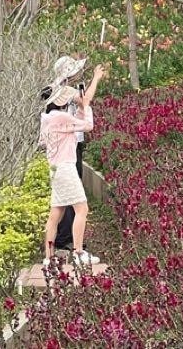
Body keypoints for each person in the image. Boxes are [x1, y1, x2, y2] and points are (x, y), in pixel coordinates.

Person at [40, 64, 106, 270]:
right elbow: (87, 125)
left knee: (55, 214)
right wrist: (84, 106)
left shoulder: (48, 118)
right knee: (82, 208)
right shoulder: (61, 117)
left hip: (56, 169)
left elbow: (74, 122)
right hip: (66, 168)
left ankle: (49, 258)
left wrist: (80, 106)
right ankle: (78, 253)